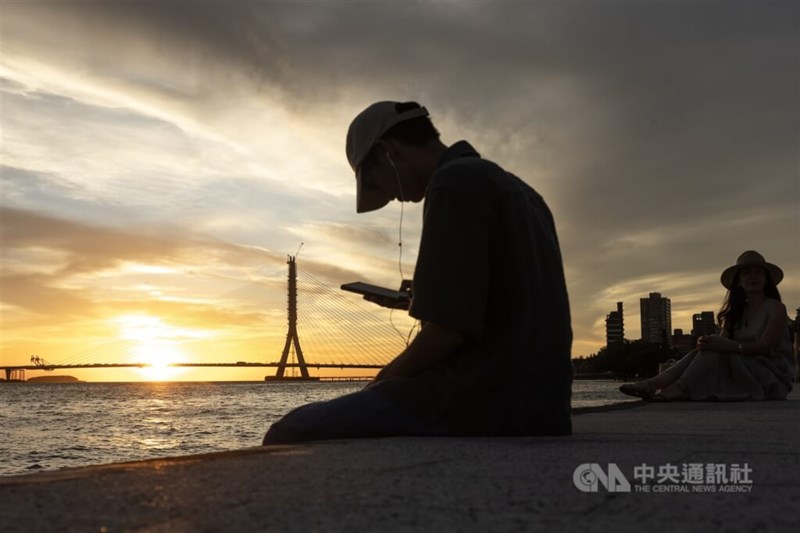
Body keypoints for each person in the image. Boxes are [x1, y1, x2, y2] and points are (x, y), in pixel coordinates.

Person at [262, 101, 573, 444]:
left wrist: (380, 382)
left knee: (290, 430)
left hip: (484, 397)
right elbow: (510, 297)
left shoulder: (453, 182)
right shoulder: (522, 192)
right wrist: (423, 296)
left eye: (379, 184)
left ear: (387, 153)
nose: (394, 197)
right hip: (544, 405)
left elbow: (447, 333)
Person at [620, 250, 794, 402]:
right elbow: (722, 346)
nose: (753, 276)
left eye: (758, 273)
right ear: (739, 282)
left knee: (714, 348)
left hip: (770, 375)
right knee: (708, 348)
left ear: (766, 280)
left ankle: (677, 388)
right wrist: (708, 343)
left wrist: (728, 345)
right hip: (743, 369)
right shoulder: (735, 313)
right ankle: (653, 384)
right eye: (747, 273)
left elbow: (765, 347)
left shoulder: (776, 308)